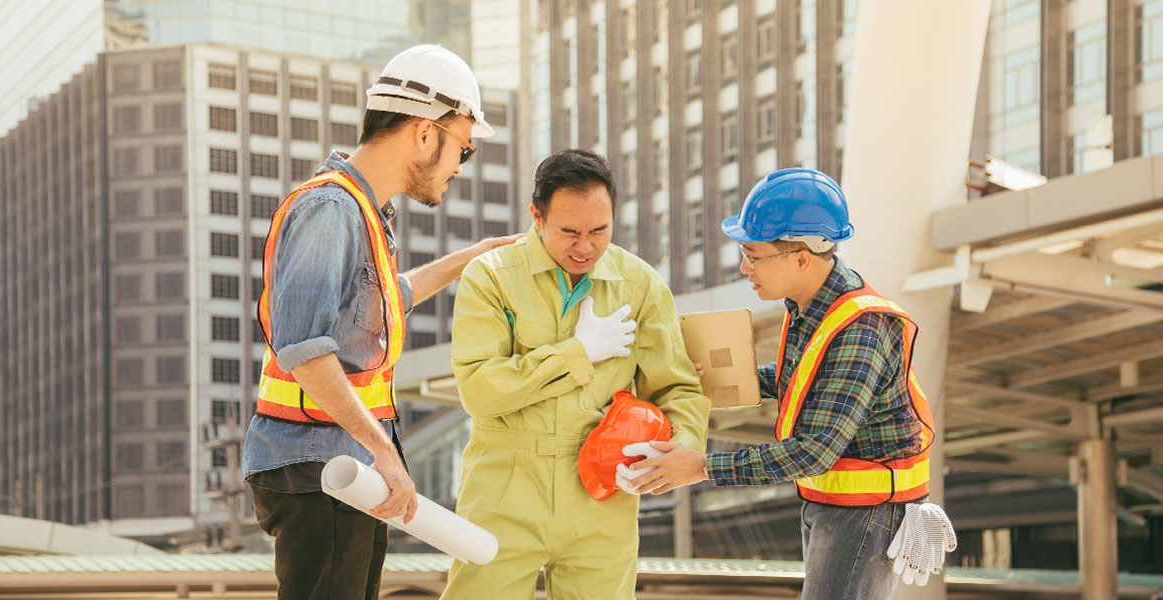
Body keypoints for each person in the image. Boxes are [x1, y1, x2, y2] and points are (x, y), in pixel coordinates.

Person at [240, 44, 521, 600]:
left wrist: (475, 255)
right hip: (319, 467)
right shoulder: (332, 210)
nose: (459, 168)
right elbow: (306, 349)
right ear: (423, 133)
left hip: (337, 468)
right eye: (462, 149)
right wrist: (385, 451)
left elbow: (386, 300)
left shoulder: (363, 213)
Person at [625, 167, 951, 599]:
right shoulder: (810, 306)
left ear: (800, 258)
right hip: (833, 504)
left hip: (864, 512)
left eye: (753, 255)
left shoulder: (859, 327)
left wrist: (702, 466)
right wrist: (705, 383)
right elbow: (798, 382)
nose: (745, 267)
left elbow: (816, 449)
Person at [441, 149, 711, 599]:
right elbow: (480, 391)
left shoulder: (641, 284)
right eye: (569, 231)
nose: (585, 247)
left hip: (604, 493)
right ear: (537, 215)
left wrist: (677, 450)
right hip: (504, 486)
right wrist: (577, 353)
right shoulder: (489, 278)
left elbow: (677, 387)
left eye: (599, 230)